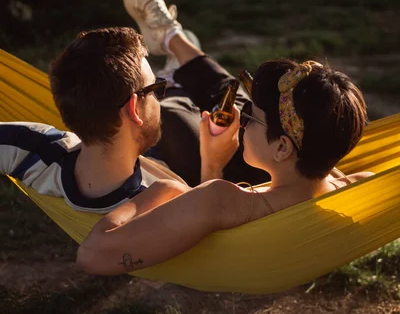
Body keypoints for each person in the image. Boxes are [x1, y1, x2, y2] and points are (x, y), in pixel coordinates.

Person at [77, 56, 373, 275]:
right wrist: (212, 164)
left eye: (249, 116)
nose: (242, 124)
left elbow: (91, 255)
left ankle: (175, 76)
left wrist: (164, 190)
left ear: (282, 147)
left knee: (172, 121)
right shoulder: (361, 188)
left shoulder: (220, 199)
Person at [0, 0, 264, 213]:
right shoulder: (158, 201)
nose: (157, 97)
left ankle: (175, 67)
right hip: (183, 165)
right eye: (156, 89)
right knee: (243, 124)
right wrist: (213, 165)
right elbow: (209, 229)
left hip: (139, 146)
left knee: (184, 113)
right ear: (134, 107)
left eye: (160, 88)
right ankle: (175, 51)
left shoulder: (34, 150)